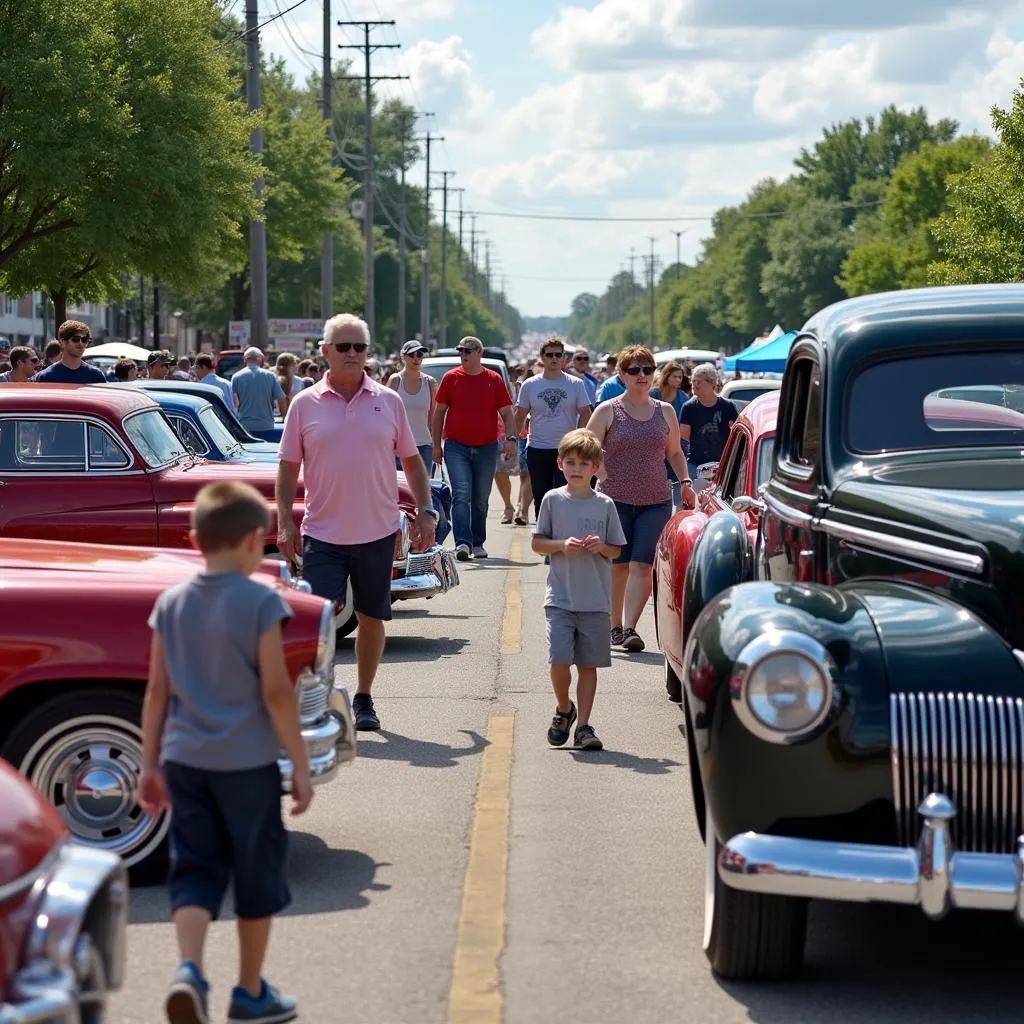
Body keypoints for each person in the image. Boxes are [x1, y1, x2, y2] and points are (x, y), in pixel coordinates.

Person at [137, 481, 312, 1024]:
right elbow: (277, 692)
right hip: (246, 763)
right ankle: (250, 990)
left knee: (195, 866)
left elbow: (156, 693)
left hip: (184, 762)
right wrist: (300, 765)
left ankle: (189, 969)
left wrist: (147, 765)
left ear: (194, 540)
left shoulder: (170, 603)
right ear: (257, 540)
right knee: (256, 872)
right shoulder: (262, 600)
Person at [276, 314, 436, 732]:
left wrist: (426, 511)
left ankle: (364, 696)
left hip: (377, 530)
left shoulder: (389, 400)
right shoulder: (304, 403)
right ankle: (321, 692)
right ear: (325, 351)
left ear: (368, 352)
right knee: (319, 619)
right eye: (343, 347)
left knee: (371, 616)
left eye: (359, 348)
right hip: (322, 533)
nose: (352, 354)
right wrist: (285, 525)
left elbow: (413, 462)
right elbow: (288, 468)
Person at [588, 346, 694, 653]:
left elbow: (674, 451)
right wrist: (603, 476)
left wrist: (685, 482)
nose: (642, 376)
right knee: (617, 566)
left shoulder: (666, 411)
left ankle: (630, 628)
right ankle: (613, 627)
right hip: (615, 500)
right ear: (621, 374)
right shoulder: (608, 410)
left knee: (642, 566)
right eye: (634, 370)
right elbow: (587, 447)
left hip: (655, 500)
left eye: (647, 370)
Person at [531, 429, 626, 751]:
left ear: (596, 467)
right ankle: (564, 708)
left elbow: (616, 550)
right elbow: (537, 543)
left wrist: (601, 547)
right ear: (559, 464)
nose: (576, 468)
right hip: (560, 597)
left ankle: (584, 725)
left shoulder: (605, 504)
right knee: (559, 660)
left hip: (596, 601)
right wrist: (560, 546)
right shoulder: (552, 500)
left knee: (588, 666)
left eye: (584, 464)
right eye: (570, 462)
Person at [431, 336, 516, 561]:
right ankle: (463, 543)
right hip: (455, 446)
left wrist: (511, 439)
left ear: (480, 353)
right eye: (461, 351)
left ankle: (477, 542)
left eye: (468, 350)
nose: (464, 354)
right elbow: (439, 412)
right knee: (461, 493)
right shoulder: (451, 378)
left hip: (487, 447)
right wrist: (435, 445)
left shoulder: (493, 379)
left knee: (480, 498)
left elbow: (507, 412)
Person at [515, 336, 592, 517]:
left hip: (566, 450)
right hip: (537, 448)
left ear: (564, 358)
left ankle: (562, 537)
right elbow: (519, 415)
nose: (554, 358)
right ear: (542, 357)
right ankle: (545, 536)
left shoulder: (575, 384)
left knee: (563, 495)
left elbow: (586, 413)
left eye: (559, 354)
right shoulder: (530, 385)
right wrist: (511, 441)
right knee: (541, 497)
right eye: (550, 355)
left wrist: (579, 438)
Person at [680, 362, 738, 486]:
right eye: (693, 381)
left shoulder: (728, 406)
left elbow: (737, 433)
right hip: (696, 465)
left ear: (712, 383)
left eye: (699, 381)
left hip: (723, 464)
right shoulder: (688, 407)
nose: (695, 385)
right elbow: (684, 437)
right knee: (696, 502)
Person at [387, 340, 437, 473]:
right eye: (411, 355)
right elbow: (385, 413)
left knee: (424, 490)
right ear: (403, 357)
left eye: (419, 354)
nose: (416, 358)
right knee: (400, 491)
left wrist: (436, 445)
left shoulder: (430, 382)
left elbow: (433, 415)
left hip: (424, 445)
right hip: (399, 446)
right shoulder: (395, 380)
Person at [651, 361, 690, 510]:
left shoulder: (683, 397)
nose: (678, 380)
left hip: (676, 444)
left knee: (677, 479)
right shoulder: (654, 394)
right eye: (674, 377)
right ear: (666, 376)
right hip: (656, 442)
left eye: (680, 377)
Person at [232, 346, 286, 440]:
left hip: (245, 427)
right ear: (261, 360)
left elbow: (234, 404)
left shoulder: (236, 377)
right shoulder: (270, 376)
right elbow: (281, 399)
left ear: (245, 360)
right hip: (266, 426)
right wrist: (285, 418)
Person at [31, 320, 106, 383]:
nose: (81, 343)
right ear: (63, 342)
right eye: (75, 339)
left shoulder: (96, 376)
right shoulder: (44, 377)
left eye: (84, 340)